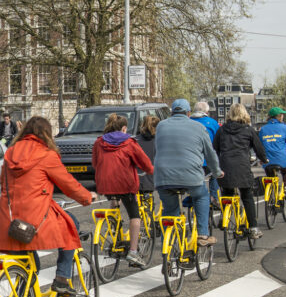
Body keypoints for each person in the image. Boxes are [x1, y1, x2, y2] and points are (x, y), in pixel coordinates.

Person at [0, 116, 94, 297]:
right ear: (46, 134)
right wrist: (87, 197)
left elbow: (3, 183)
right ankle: (62, 278)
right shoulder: (46, 154)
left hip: (9, 217)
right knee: (71, 227)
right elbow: (68, 183)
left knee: (28, 263)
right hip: (37, 216)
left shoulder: (10, 152)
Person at [154, 99, 223, 246]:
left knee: (169, 210)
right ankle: (203, 234)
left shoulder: (161, 126)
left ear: (172, 112)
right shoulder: (198, 127)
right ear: (188, 113)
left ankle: (167, 245)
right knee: (202, 196)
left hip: (163, 176)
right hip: (191, 176)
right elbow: (210, 153)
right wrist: (217, 172)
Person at [92, 113, 154, 268]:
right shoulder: (129, 142)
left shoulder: (99, 142)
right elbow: (144, 162)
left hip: (105, 184)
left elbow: (95, 162)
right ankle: (133, 251)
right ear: (124, 128)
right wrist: (151, 170)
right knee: (134, 215)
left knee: (114, 199)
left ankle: (114, 228)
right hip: (125, 184)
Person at [214, 103, 267, 240]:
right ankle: (253, 228)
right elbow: (259, 149)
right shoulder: (248, 130)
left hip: (225, 167)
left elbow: (215, 149)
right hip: (242, 167)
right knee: (247, 197)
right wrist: (264, 159)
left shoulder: (222, 130)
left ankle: (223, 217)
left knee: (227, 193)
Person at [258, 107, 286, 199]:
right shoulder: (285, 128)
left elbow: (260, 145)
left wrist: (261, 158)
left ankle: (270, 195)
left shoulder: (263, 129)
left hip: (267, 160)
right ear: (279, 116)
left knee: (270, 176)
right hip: (281, 159)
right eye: (282, 115)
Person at [190, 101, 221, 206]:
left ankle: (196, 196)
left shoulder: (188, 122)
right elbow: (219, 140)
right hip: (207, 160)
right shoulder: (212, 123)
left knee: (198, 180)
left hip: (192, 161)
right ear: (207, 112)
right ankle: (213, 197)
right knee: (214, 174)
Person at [135, 115, 159, 193]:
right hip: (155, 179)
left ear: (142, 125)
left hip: (137, 178)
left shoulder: (135, 141)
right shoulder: (160, 141)